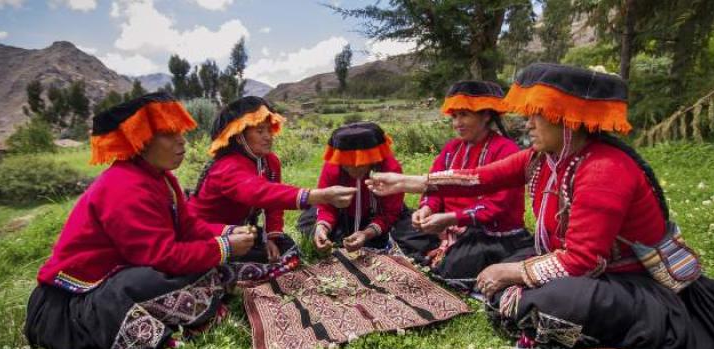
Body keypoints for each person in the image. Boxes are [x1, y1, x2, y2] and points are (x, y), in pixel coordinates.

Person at [365, 63, 714, 349]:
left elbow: (582, 260)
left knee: (536, 297)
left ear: (567, 118)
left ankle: (606, 336)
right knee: (512, 287)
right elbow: (480, 178)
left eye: (537, 113)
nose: (527, 122)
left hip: (630, 285)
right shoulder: (544, 157)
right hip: (586, 274)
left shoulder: (604, 168)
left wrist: (511, 272)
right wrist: (410, 183)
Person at [24, 92, 265, 349]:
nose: (181, 141)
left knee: (214, 260)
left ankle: (197, 307)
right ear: (139, 142)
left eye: (180, 132)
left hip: (126, 271)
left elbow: (188, 227)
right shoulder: (123, 186)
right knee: (151, 279)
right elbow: (163, 257)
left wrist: (225, 234)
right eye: (169, 135)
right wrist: (223, 248)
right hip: (74, 302)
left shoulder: (163, 179)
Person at [188, 96, 355, 266]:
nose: (268, 137)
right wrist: (318, 196)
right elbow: (260, 193)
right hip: (205, 231)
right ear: (239, 136)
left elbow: (273, 205)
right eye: (260, 131)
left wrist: (271, 237)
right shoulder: (227, 167)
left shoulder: (270, 162)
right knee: (248, 259)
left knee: (286, 249)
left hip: (240, 231)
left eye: (269, 130)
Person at [414, 80, 533, 291]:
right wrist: (427, 208)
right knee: (408, 233)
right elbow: (434, 187)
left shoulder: (506, 151)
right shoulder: (451, 149)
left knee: (453, 268)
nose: (457, 123)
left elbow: (497, 206)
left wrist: (452, 218)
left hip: (490, 233)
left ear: (486, 115)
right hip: (450, 228)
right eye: (454, 116)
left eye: (464, 115)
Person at [296, 122, 433, 256]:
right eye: (346, 165)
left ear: (372, 159)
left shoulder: (389, 168)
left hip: (379, 215)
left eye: (359, 164)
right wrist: (322, 228)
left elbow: (389, 213)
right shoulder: (332, 167)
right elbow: (326, 206)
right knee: (311, 226)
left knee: (414, 235)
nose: (353, 170)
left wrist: (366, 234)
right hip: (342, 215)